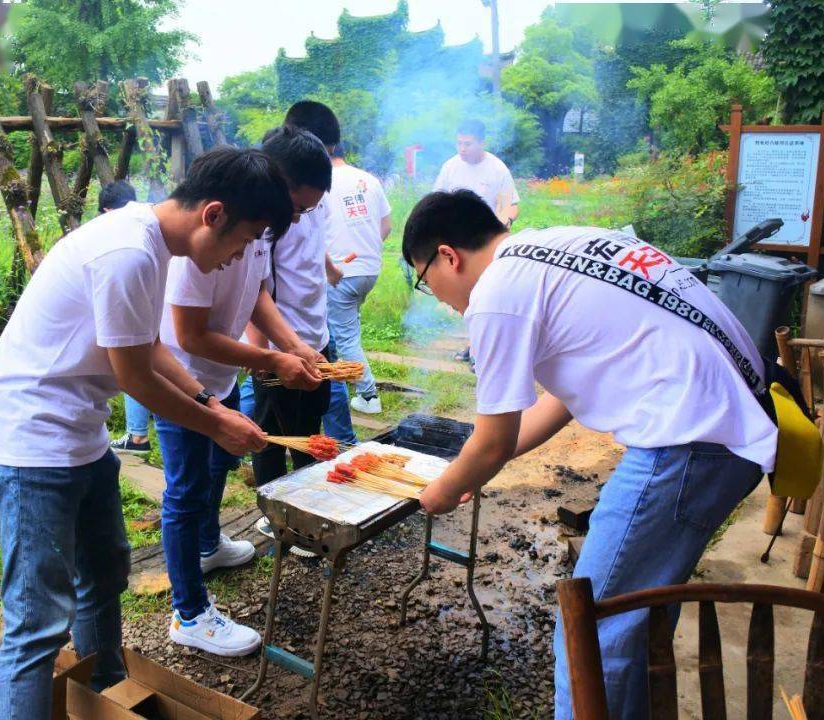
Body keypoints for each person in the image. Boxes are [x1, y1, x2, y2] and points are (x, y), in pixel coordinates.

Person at [400, 190, 776, 720]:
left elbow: (492, 440)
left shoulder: (497, 294)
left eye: (424, 279)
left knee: (592, 628)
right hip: (734, 426)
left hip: (689, 441)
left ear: (447, 256)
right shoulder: (564, 245)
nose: (437, 296)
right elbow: (558, 401)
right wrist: (478, 469)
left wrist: (437, 490)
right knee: (636, 615)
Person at [0, 147, 292, 720]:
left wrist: (207, 399)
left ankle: (108, 696)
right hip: (31, 441)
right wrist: (217, 423)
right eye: (243, 241)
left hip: (80, 432)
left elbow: (145, 347)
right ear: (213, 214)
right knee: (37, 620)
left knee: (105, 572)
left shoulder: (151, 246)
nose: (238, 258)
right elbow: (135, 377)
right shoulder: (128, 251)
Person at [155, 126, 329, 656]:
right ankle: (188, 612)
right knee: (184, 491)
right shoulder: (200, 246)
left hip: (220, 376)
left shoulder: (255, 232)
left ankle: (207, 546)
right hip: (182, 381)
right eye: (294, 208)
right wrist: (273, 360)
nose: (296, 220)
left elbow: (256, 294)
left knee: (216, 468)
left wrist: (295, 346)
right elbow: (188, 336)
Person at [245, 102, 350, 550]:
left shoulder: (311, 201)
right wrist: (266, 360)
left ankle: (304, 510)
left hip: (315, 336)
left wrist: (329, 271)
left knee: (311, 434)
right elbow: (255, 292)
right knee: (271, 436)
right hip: (281, 347)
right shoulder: (269, 219)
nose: (305, 211)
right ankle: (275, 515)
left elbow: (314, 246)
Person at [434, 118, 520, 363]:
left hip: (486, 245)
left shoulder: (497, 169)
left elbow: (509, 205)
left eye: (468, 144)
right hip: (456, 244)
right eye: (459, 143)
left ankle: (483, 350)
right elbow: (437, 201)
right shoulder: (450, 167)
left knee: (487, 294)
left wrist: (504, 224)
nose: (462, 148)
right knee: (467, 297)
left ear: (482, 143)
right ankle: (474, 345)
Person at [323, 142, 392, 415]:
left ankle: (368, 394)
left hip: (340, 272)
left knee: (345, 337)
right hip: (369, 268)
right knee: (349, 329)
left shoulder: (322, 182)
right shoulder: (368, 179)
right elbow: (386, 225)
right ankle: (355, 381)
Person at [96, 181, 155, 458]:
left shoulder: (117, 244)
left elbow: (131, 374)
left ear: (107, 210)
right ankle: (139, 432)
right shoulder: (147, 234)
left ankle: (137, 435)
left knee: (134, 367)